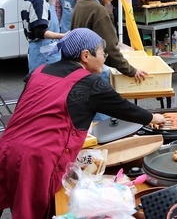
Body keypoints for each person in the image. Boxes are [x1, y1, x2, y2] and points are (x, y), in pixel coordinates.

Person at [0, 28, 166, 219]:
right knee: (33, 213)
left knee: (15, 201)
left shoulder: (39, 71)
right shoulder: (90, 83)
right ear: (85, 55)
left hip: (6, 146)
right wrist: (153, 117)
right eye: (102, 52)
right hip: (37, 158)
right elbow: (123, 108)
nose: (104, 56)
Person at [71, 0, 148, 84]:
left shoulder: (81, 4)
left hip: (79, 67)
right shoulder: (98, 10)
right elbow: (110, 49)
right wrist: (131, 70)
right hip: (94, 70)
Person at [18, 0, 65, 73]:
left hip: (41, 52)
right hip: (44, 55)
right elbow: (39, 31)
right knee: (45, 85)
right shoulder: (38, 1)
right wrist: (62, 36)